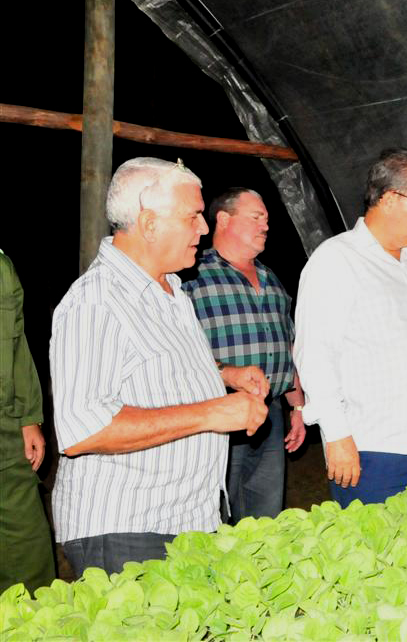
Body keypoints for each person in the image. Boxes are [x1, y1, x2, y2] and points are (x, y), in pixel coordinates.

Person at [50, 157, 269, 577]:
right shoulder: (98, 301)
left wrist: (224, 374)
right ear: (149, 225)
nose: (204, 230)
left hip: (186, 519)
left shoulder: (170, 290)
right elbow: (83, 429)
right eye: (193, 218)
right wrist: (211, 413)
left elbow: (154, 363)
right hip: (128, 531)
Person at [294, 148, 407, 507]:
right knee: (378, 556)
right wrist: (336, 436)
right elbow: (316, 354)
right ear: (391, 198)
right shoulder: (337, 260)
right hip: (372, 448)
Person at [183, 188, 306, 523]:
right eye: (256, 217)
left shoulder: (272, 278)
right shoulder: (192, 277)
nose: (266, 225)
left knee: (264, 517)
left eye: (266, 219)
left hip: (271, 414)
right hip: (216, 411)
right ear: (224, 219)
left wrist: (297, 406)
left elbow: (286, 347)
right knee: (215, 513)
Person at [0, 252, 56, 592]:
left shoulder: (2, 265)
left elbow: (16, 342)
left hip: (7, 430)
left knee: (30, 553)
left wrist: (28, 417)